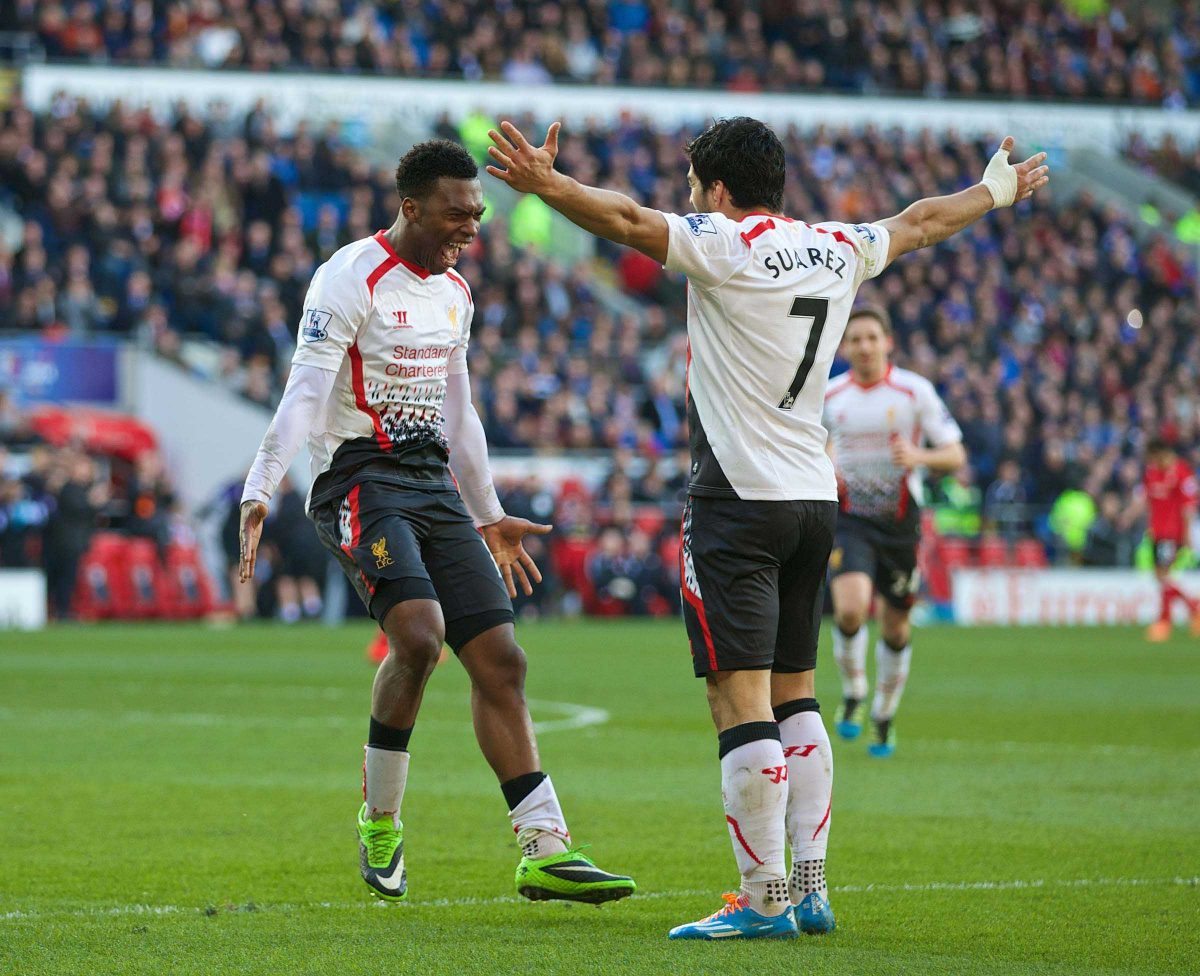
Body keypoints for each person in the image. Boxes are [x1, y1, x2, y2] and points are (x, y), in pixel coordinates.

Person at [486, 116, 1047, 939]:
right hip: (814, 501)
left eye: (691, 183)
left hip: (737, 501)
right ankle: (812, 887)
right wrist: (995, 189)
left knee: (736, 697)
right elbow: (922, 220)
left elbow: (628, 222)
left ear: (716, 189)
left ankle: (763, 898)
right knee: (798, 692)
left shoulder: (725, 242)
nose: (686, 196)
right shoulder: (834, 245)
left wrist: (546, 185)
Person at [238, 140, 635, 906]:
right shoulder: (347, 278)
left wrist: (488, 514)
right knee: (418, 638)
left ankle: (545, 847)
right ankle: (380, 821)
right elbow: (303, 394)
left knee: (502, 659)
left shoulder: (455, 292)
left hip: (429, 481)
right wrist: (262, 484)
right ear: (411, 208)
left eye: (478, 213)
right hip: (356, 476)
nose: (472, 227)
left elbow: (459, 409)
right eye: (458, 213)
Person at [822, 307, 966, 758]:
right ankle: (854, 691)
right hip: (850, 519)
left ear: (888, 343)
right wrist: (823, 460)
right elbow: (814, 444)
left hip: (901, 525)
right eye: (855, 339)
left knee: (896, 625)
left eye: (871, 338)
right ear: (844, 348)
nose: (863, 346)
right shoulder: (830, 395)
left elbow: (955, 454)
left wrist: (919, 459)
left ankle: (884, 715)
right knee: (849, 609)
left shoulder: (913, 391)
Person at [1140, 438, 1200, 641]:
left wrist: (1188, 535)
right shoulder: (1152, 473)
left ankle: (1164, 621)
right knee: (1161, 577)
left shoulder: (1182, 473)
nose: (1152, 462)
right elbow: (1147, 501)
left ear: (1162, 453)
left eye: (1153, 458)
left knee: (1164, 576)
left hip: (1172, 533)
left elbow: (1189, 507)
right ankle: (1193, 607)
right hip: (1157, 532)